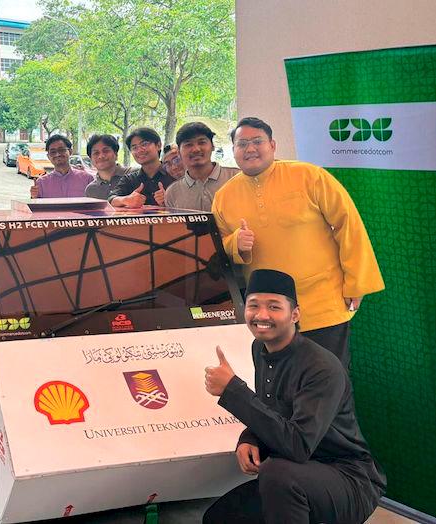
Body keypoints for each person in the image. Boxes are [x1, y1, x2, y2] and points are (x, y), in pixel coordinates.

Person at [202, 269, 385, 524]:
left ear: (295, 314)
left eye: (274, 307)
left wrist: (233, 389)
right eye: (253, 305)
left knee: (277, 474)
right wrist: (249, 438)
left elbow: (298, 445)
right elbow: (272, 408)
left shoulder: (321, 367)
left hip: (348, 478)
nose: (262, 315)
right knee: (219, 518)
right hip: (299, 473)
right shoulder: (260, 348)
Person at [211, 117, 384, 368]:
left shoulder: (309, 176)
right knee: (278, 390)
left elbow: (349, 225)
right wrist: (235, 244)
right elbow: (218, 247)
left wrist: (357, 283)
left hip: (322, 304)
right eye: (242, 143)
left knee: (329, 384)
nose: (250, 149)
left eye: (257, 141)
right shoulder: (224, 196)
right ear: (234, 151)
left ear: (272, 145)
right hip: (267, 315)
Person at [163, 122, 239, 211]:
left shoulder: (236, 178)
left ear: (213, 146)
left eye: (202, 142)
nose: (196, 149)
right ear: (179, 152)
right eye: (188, 145)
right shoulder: (172, 193)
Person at [108, 127, 174, 207]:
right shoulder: (129, 179)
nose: (139, 150)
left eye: (144, 144)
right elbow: (111, 199)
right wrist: (126, 200)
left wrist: (169, 200)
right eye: (134, 147)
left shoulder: (173, 173)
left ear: (158, 145)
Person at [84, 134, 131, 200]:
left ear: (116, 154)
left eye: (106, 151)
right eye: (96, 153)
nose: (101, 156)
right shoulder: (91, 190)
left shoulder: (133, 175)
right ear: (91, 159)